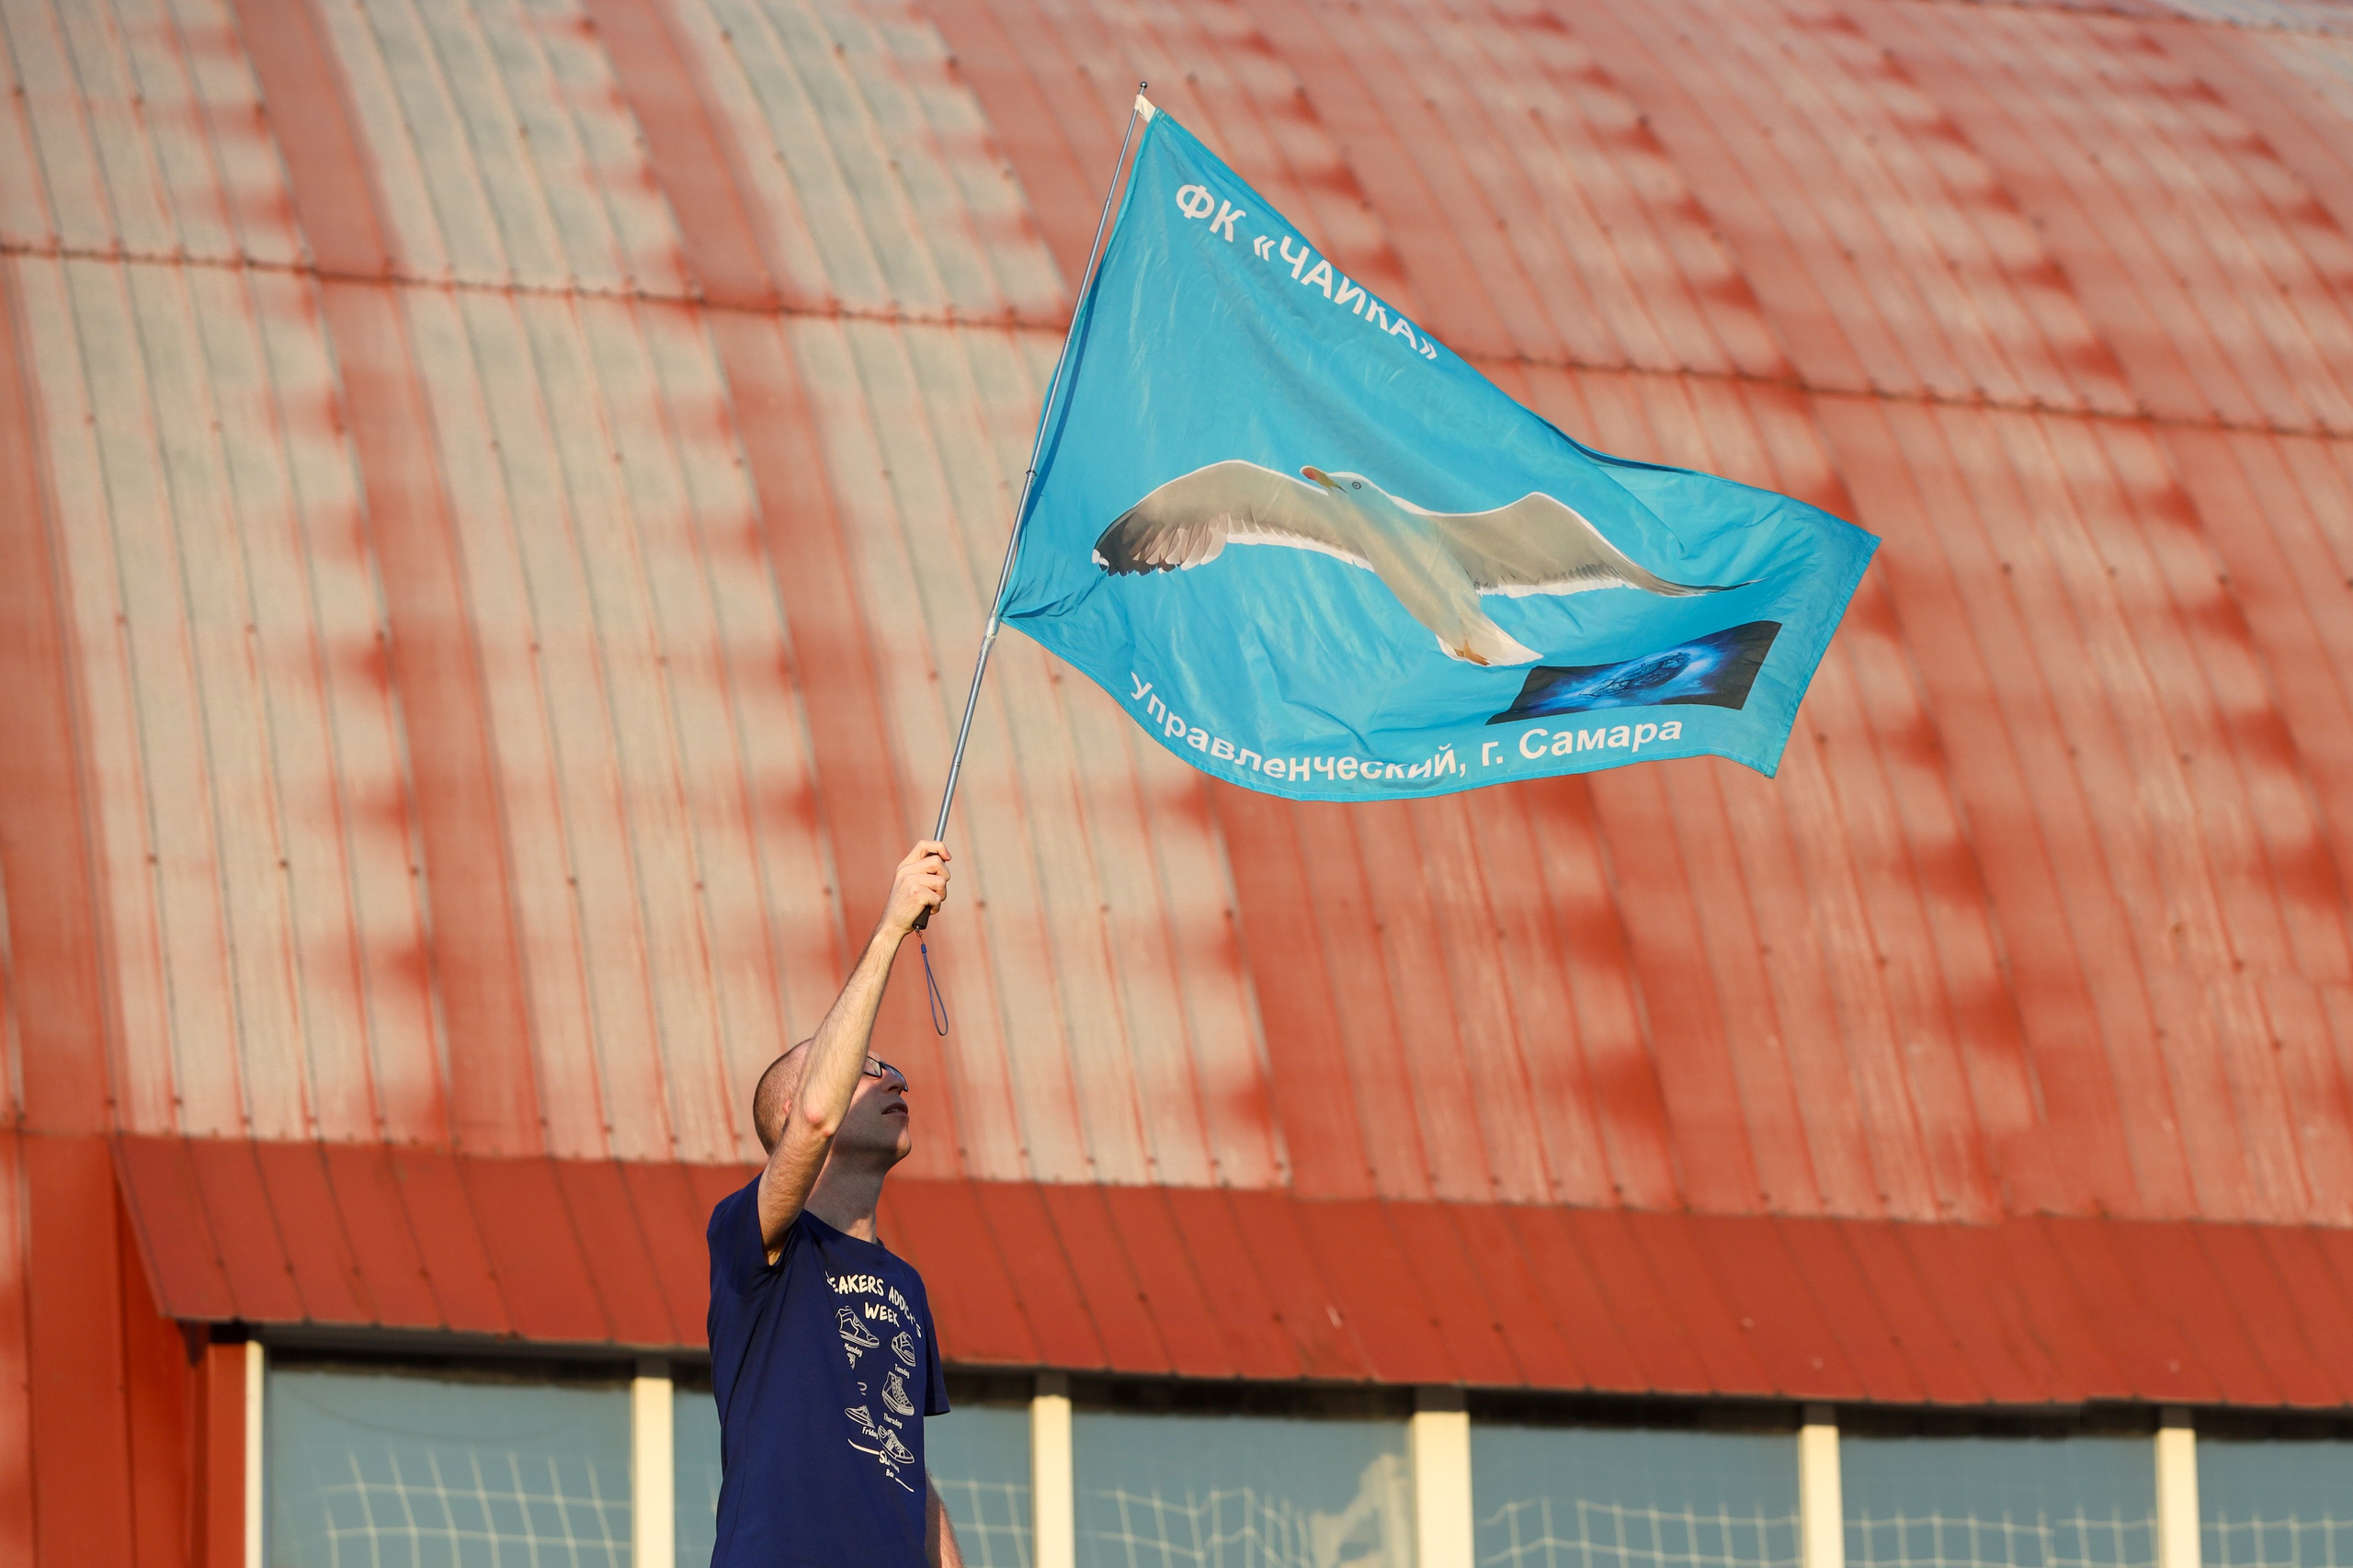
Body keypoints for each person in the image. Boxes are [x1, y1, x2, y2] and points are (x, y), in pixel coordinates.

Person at [705, 840, 965, 1568]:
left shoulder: (905, 1286)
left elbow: (905, 1465)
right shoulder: (753, 1242)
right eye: (865, 1069)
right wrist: (891, 928)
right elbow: (817, 1119)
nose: (895, 1080)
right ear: (796, 1106)